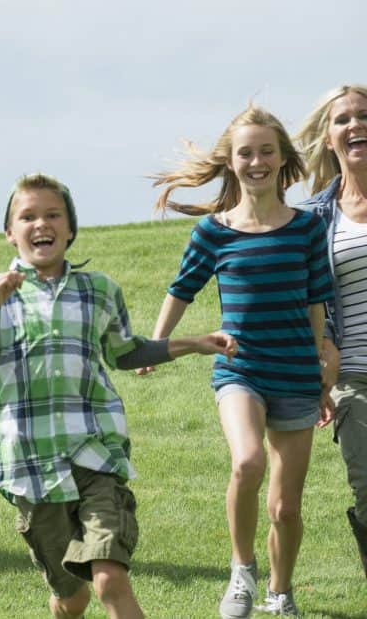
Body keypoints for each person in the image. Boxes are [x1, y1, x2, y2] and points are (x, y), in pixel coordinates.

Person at [0, 173, 235, 619]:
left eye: (52, 215)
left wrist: (195, 342)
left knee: (111, 578)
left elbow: (125, 353)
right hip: (31, 464)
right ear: (9, 232)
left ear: (70, 228)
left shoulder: (99, 291)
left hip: (97, 451)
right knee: (71, 598)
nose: (41, 225)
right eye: (27, 217)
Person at [144, 106, 334, 618]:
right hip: (240, 369)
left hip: (295, 372)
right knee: (247, 461)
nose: (256, 161)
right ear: (230, 162)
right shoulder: (214, 232)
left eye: (266, 151)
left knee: (285, 507)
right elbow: (181, 290)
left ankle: (281, 592)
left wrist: (320, 375)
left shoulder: (307, 230)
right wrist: (157, 347)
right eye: (245, 152)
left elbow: (317, 304)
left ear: (282, 159)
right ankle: (241, 573)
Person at [296, 84, 367, 580]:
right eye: (343, 119)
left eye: (364, 115)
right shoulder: (316, 218)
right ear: (328, 137)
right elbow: (309, 302)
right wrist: (319, 369)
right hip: (353, 375)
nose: (356, 126)